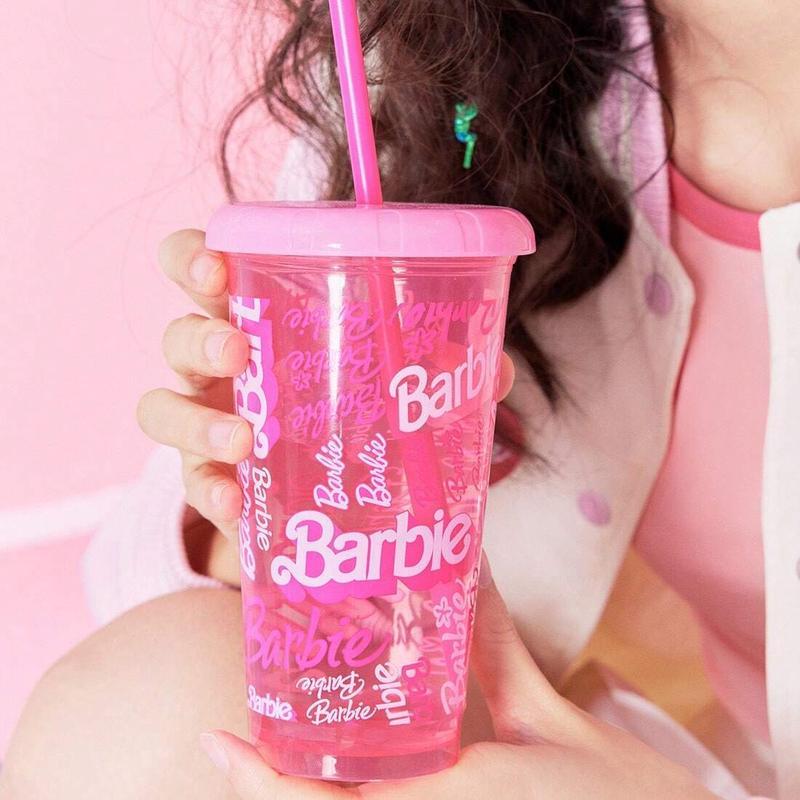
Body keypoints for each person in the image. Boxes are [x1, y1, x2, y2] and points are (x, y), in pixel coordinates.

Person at [2, 1, 798, 798]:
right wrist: (268, 491)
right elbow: (153, 645)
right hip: (670, 757)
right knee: (142, 724)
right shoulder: (467, 59)